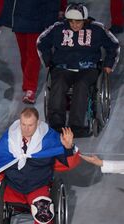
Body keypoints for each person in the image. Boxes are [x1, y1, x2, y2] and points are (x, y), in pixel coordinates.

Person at [0, 108, 75, 224]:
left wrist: (67, 148)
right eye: (23, 124)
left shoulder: (49, 138)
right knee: (8, 200)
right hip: (14, 186)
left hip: (38, 186)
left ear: (37, 123)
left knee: (43, 211)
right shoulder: (9, 139)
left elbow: (66, 161)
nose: (26, 128)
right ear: (19, 121)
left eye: (30, 125)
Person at [37, 3, 120, 136]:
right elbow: (41, 42)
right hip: (63, 67)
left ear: (85, 20)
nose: (74, 25)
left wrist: (109, 65)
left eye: (78, 22)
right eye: (71, 22)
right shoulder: (58, 28)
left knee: (81, 86)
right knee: (58, 84)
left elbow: (114, 45)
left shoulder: (97, 29)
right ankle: (56, 124)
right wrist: (47, 62)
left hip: (87, 69)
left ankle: (76, 125)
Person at [0, 0, 65, 104]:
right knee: (24, 55)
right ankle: (28, 84)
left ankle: (30, 88)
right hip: (19, 19)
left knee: (33, 55)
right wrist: (7, 17)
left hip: (37, 19)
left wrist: (51, 19)